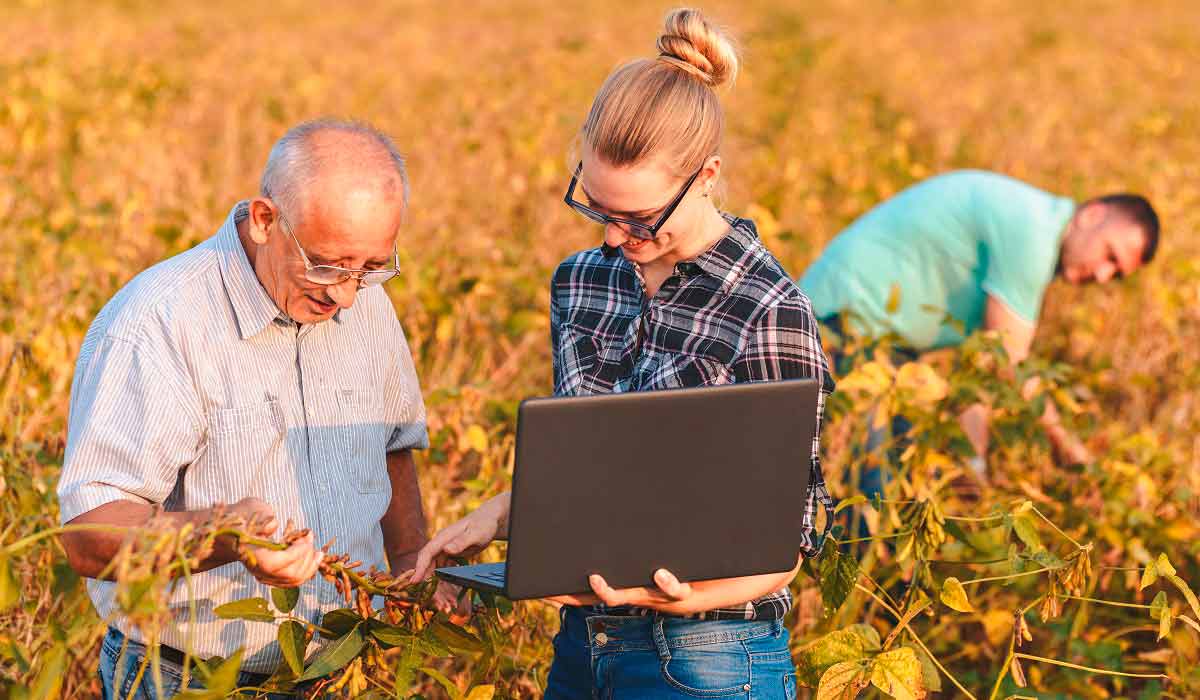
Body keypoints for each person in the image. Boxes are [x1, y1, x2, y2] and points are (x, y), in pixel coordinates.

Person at [411, 9, 834, 699]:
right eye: (596, 208)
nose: (613, 237)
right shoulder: (581, 281)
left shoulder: (768, 307)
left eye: (639, 220)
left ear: (706, 176)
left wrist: (686, 598)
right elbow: (598, 474)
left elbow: (788, 543)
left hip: (710, 659)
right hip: (582, 651)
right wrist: (496, 517)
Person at [56, 119, 447, 698]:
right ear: (265, 220)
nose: (344, 294)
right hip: (184, 677)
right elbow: (89, 538)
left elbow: (390, 448)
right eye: (326, 264)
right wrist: (226, 534)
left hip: (338, 672)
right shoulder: (156, 323)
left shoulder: (367, 301)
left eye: (370, 267)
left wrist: (414, 568)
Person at [800, 170, 1160, 474]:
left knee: (901, 470)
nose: (1102, 274)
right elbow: (1009, 363)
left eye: (1115, 274)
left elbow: (983, 366)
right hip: (845, 320)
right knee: (870, 484)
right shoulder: (1033, 234)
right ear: (1092, 215)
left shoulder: (1038, 232)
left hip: (878, 338)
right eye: (1109, 255)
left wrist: (974, 466)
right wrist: (1068, 449)